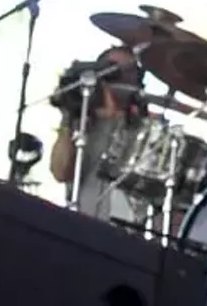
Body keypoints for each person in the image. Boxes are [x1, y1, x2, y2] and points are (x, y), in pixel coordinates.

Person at [48, 45, 144, 224]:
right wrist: (68, 117)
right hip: (80, 219)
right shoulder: (83, 118)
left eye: (128, 71)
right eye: (113, 69)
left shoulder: (143, 128)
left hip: (125, 229)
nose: (120, 76)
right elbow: (60, 173)